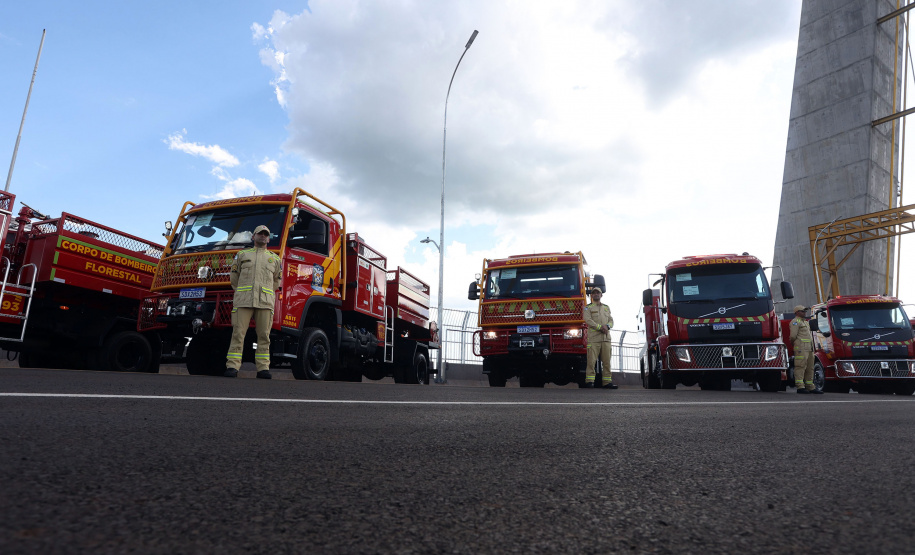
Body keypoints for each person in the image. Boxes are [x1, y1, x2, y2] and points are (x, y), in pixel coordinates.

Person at [224, 225, 282, 379]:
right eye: (259, 233)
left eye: (265, 234)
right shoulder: (242, 255)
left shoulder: (275, 259)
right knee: (238, 334)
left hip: (264, 302)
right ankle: (232, 366)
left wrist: (266, 292)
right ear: (253, 237)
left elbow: (277, 281)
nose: (263, 236)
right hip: (244, 300)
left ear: (268, 238)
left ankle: (263, 369)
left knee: (264, 336)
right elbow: (234, 277)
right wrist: (242, 291)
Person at [583, 287, 616, 389]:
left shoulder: (606, 307)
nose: (596, 294)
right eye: (594, 293)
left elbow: (611, 320)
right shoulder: (587, 308)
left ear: (601, 295)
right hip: (593, 339)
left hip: (606, 339)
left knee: (606, 362)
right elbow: (587, 320)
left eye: (598, 293)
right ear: (591, 296)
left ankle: (607, 382)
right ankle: (589, 382)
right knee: (591, 361)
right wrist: (600, 327)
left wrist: (607, 326)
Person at [789, 305, 822, 394]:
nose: (804, 313)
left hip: (809, 348)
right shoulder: (795, 322)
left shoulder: (806, 322)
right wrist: (796, 345)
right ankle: (800, 386)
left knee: (810, 367)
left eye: (805, 311)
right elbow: (792, 336)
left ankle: (810, 386)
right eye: (802, 311)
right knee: (800, 366)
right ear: (797, 312)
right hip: (801, 348)